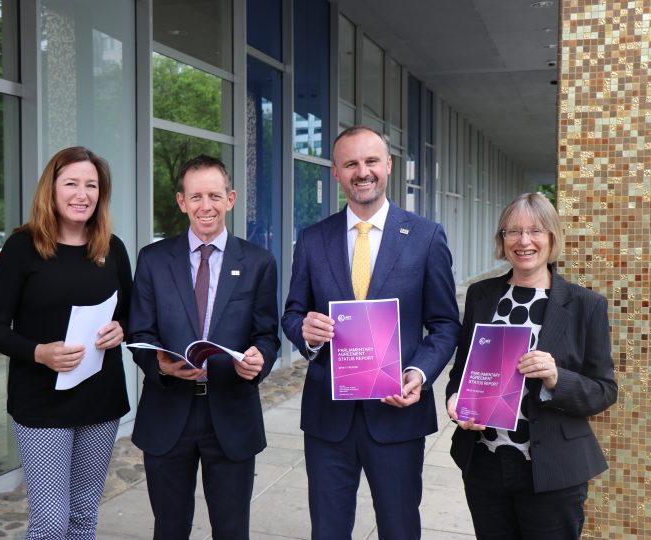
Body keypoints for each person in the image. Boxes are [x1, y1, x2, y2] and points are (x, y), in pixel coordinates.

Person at [281, 125, 461, 539]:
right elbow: (292, 313)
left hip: (397, 414)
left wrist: (418, 373)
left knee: (399, 529)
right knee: (327, 530)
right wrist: (305, 332)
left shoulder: (425, 236)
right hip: (328, 418)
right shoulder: (312, 239)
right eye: (351, 164)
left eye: (371, 161)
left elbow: (445, 324)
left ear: (388, 166)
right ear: (337, 173)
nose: (362, 171)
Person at [445, 192, 618, 539]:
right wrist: (455, 401)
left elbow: (605, 390)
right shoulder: (481, 295)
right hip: (486, 464)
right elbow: (461, 370)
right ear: (502, 239)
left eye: (535, 231)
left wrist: (558, 377)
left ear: (552, 237)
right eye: (513, 232)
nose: (524, 241)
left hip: (551, 471)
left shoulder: (586, 305)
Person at [0, 146, 132, 539]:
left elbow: (131, 316)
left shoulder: (112, 248)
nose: (82, 194)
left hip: (101, 400)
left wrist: (121, 330)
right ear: (51, 189)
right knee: (50, 523)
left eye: (91, 185)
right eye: (71, 183)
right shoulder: (22, 247)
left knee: (83, 516)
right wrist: (39, 352)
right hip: (42, 403)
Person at [128, 154, 280, 540]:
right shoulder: (153, 259)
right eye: (195, 197)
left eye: (214, 195)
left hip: (231, 412)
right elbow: (140, 331)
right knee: (169, 529)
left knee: (231, 531)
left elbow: (267, 334)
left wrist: (258, 361)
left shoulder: (259, 262)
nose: (205, 206)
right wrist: (159, 364)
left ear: (230, 199)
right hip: (168, 412)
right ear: (182, 202)